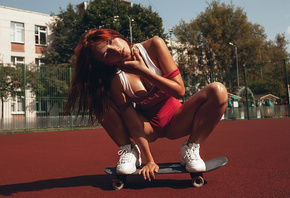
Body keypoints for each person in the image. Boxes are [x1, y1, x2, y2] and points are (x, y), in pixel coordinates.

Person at [65, 28, 228, 181]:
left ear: (116, 35)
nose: (116, 49)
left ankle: (191, 148)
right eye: (107, 54)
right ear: (107, 63)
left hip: (177, 120)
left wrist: (144, 71)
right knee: (97, 99)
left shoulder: (154, 46)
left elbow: (179, 91)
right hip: (148, 128)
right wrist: (149, 160)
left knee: (218, 90)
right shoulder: (117, 81)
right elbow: (133, 123)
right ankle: (129, 151)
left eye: (110, 41)